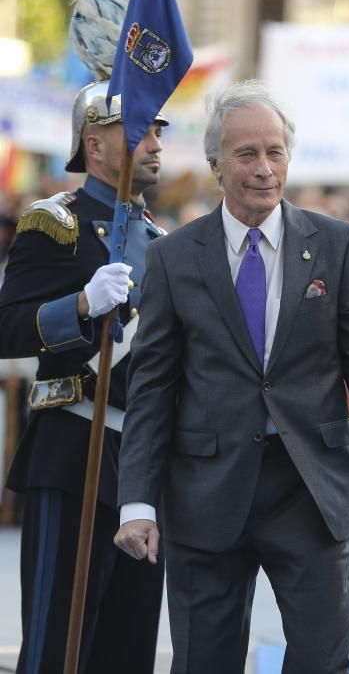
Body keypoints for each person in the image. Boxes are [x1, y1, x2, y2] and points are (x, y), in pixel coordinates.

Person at [115, 80, 349, 674]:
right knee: (205, 663)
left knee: (323, 659)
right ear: (215, 164)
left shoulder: (338, 245)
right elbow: (152, 388)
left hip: (309, 490)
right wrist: (137, 500)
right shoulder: (174, 257)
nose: (264, 169)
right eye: (246, 155)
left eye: (275, 152)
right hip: (205, 494)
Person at [0, 79, 167, 674]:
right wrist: (78, 305)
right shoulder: (55, 223)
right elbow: (7, 327)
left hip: (142, 466)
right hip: (74, 450)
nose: (156, 142)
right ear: (94, 146)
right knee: (56, 647)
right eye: (142, 130)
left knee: (129, 649)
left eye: (158, 130)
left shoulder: (160, 242)